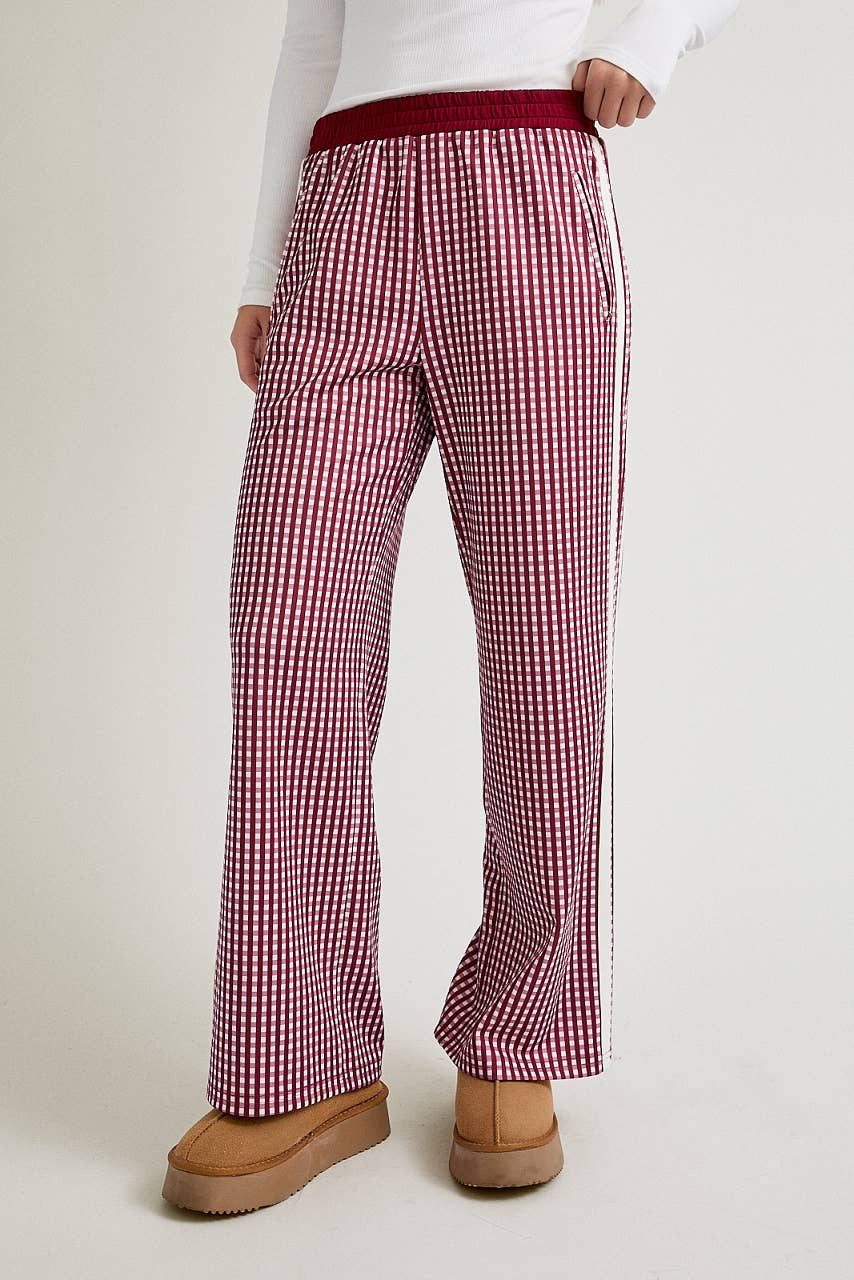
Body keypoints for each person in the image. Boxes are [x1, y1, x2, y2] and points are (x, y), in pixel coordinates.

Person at [162, 0, 739, 1214]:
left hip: (522, 173)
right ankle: (297, 1056)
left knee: (542, 641)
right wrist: (265, 266)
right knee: (288, 630)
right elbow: (312, 40)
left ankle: (517, 1030)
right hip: (343, 206)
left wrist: (649, 33)